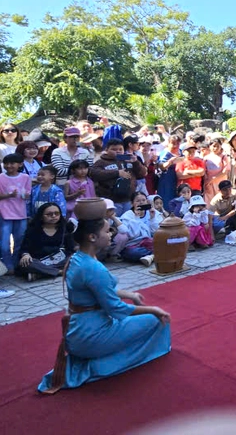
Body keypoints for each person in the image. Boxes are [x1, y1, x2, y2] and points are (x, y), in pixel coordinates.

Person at [37, 217, 171, 394]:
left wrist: (129, 295)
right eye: (107, 231)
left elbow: (98, 290)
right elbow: (117, 309)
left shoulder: (78, 258)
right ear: (92, 237)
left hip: (77, 332)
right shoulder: (93, 267)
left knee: (143, 318)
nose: (111, 234)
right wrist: (153, 310)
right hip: (90, 336)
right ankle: (102, 365)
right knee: (157, 321)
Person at [17, 202, 75, 281]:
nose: (54, 216)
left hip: (60, 259)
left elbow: (70, 249)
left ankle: (40, 274)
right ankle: (60, 272)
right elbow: (24, 248)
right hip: (40, 261)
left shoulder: (65, 228)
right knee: (27, 263)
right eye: (49, 214)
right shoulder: (33, 230)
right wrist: (25, 255)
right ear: (41, 216)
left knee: (76, 259)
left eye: (57, 213)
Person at [0, 153, 31, 273]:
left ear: (20, 164)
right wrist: (9, 195)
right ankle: (8, 266)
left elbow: (27, 194)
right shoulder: (1, 177)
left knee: (19, 241)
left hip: (21, 214)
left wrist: (25, 195)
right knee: (4, 243)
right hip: (4, 214)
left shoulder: (25, 177)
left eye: (12, 163)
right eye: (6, 163)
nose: (9, 166)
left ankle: (16, 264)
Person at [155, 135, 182, 206]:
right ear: (168, 143)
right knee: (167, 199)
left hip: (178, 179)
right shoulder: (165, 153)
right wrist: (171, 161)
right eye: (173, 143)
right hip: (167, 179)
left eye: (178, 143)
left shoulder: (181, 152)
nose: (176, 145)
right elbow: (162, 166)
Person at [203, 139, 232, 204]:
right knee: (209, 200)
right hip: (209, 183)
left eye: (218, 146)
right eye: (214, 146)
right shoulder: (206, 158)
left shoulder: (223, 157)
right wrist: (207, 180)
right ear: (210, 146)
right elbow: (204, 170)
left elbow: (225, 171)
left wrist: (213, 178)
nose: (215, 148)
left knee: (221, 198)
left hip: (220, 182)